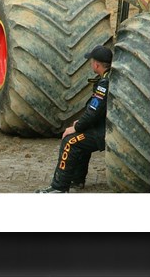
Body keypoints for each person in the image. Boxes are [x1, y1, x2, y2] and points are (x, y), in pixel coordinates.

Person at [35, 45, 112, 193]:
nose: (91, 64)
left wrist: (76, 127)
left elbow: (93, 113)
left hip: (103, 132)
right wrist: (81, 125)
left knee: (70, 140)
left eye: (91, 61)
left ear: (96, 64)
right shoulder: (109, 77)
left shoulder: (104, 84)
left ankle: (59, 188)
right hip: (105, 127)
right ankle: (77, 181)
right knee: (80, 138)